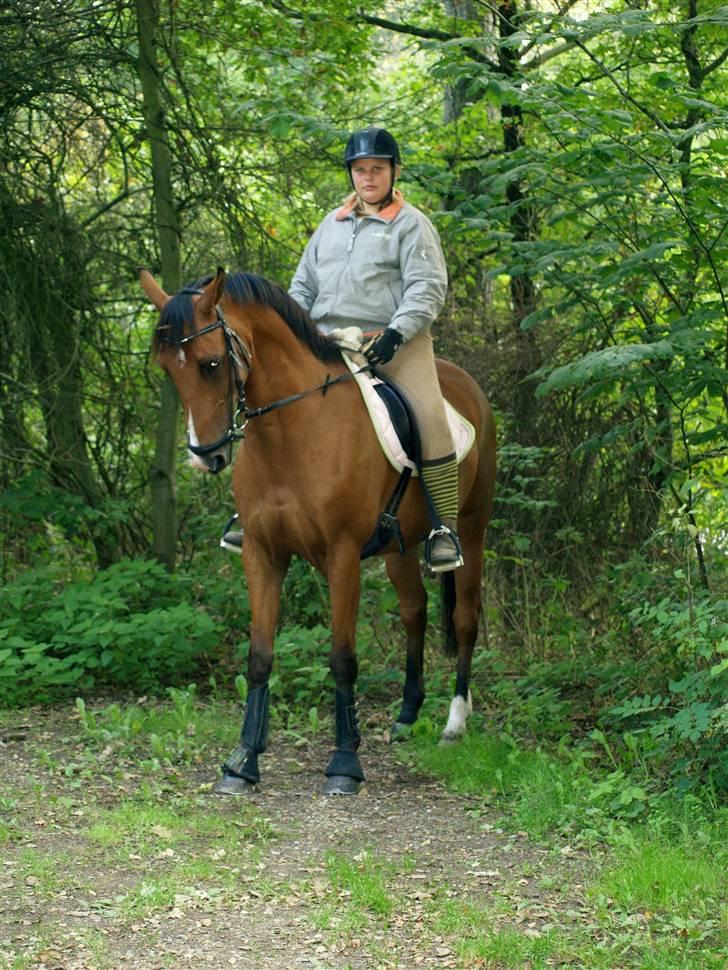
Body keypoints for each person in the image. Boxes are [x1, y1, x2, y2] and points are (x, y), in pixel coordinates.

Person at [222, 126, 463, 571]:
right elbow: (302, 288)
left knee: (429, 415)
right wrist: (295, 334)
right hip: (327, 342)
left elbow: (427, 288)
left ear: (392, 173)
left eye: (376, 169)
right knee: (268, 401)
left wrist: (396, 333)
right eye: (359, 170)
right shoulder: (329, 227)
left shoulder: (411, 225)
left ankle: (442, 528)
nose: (368, 177)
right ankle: (250, 510)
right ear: (350, 175)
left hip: (392, 342)